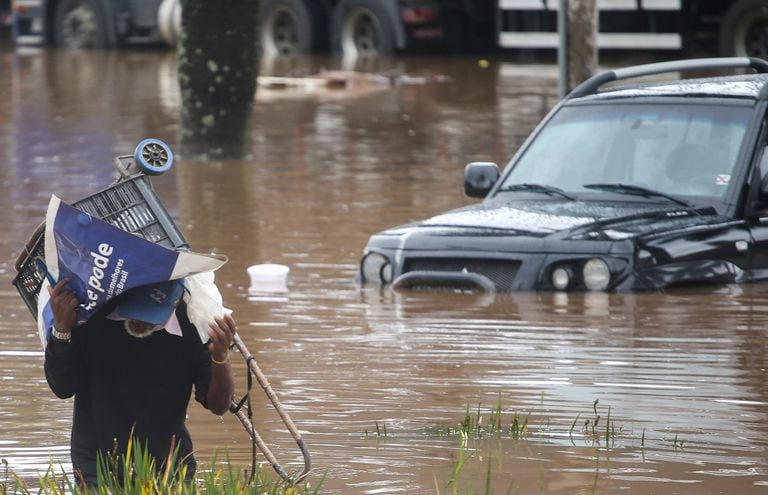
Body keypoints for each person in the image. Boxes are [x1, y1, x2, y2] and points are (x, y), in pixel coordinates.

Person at [43, 277, 236, 486]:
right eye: (135, 311)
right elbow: (62, 387)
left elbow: (219, 405)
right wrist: (61, 330)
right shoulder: (92, 317)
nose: (140, 322)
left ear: (174, 304)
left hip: (170, 466)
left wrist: (220, 356)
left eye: (152, 315)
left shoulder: (193, 325)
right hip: (97, 466)